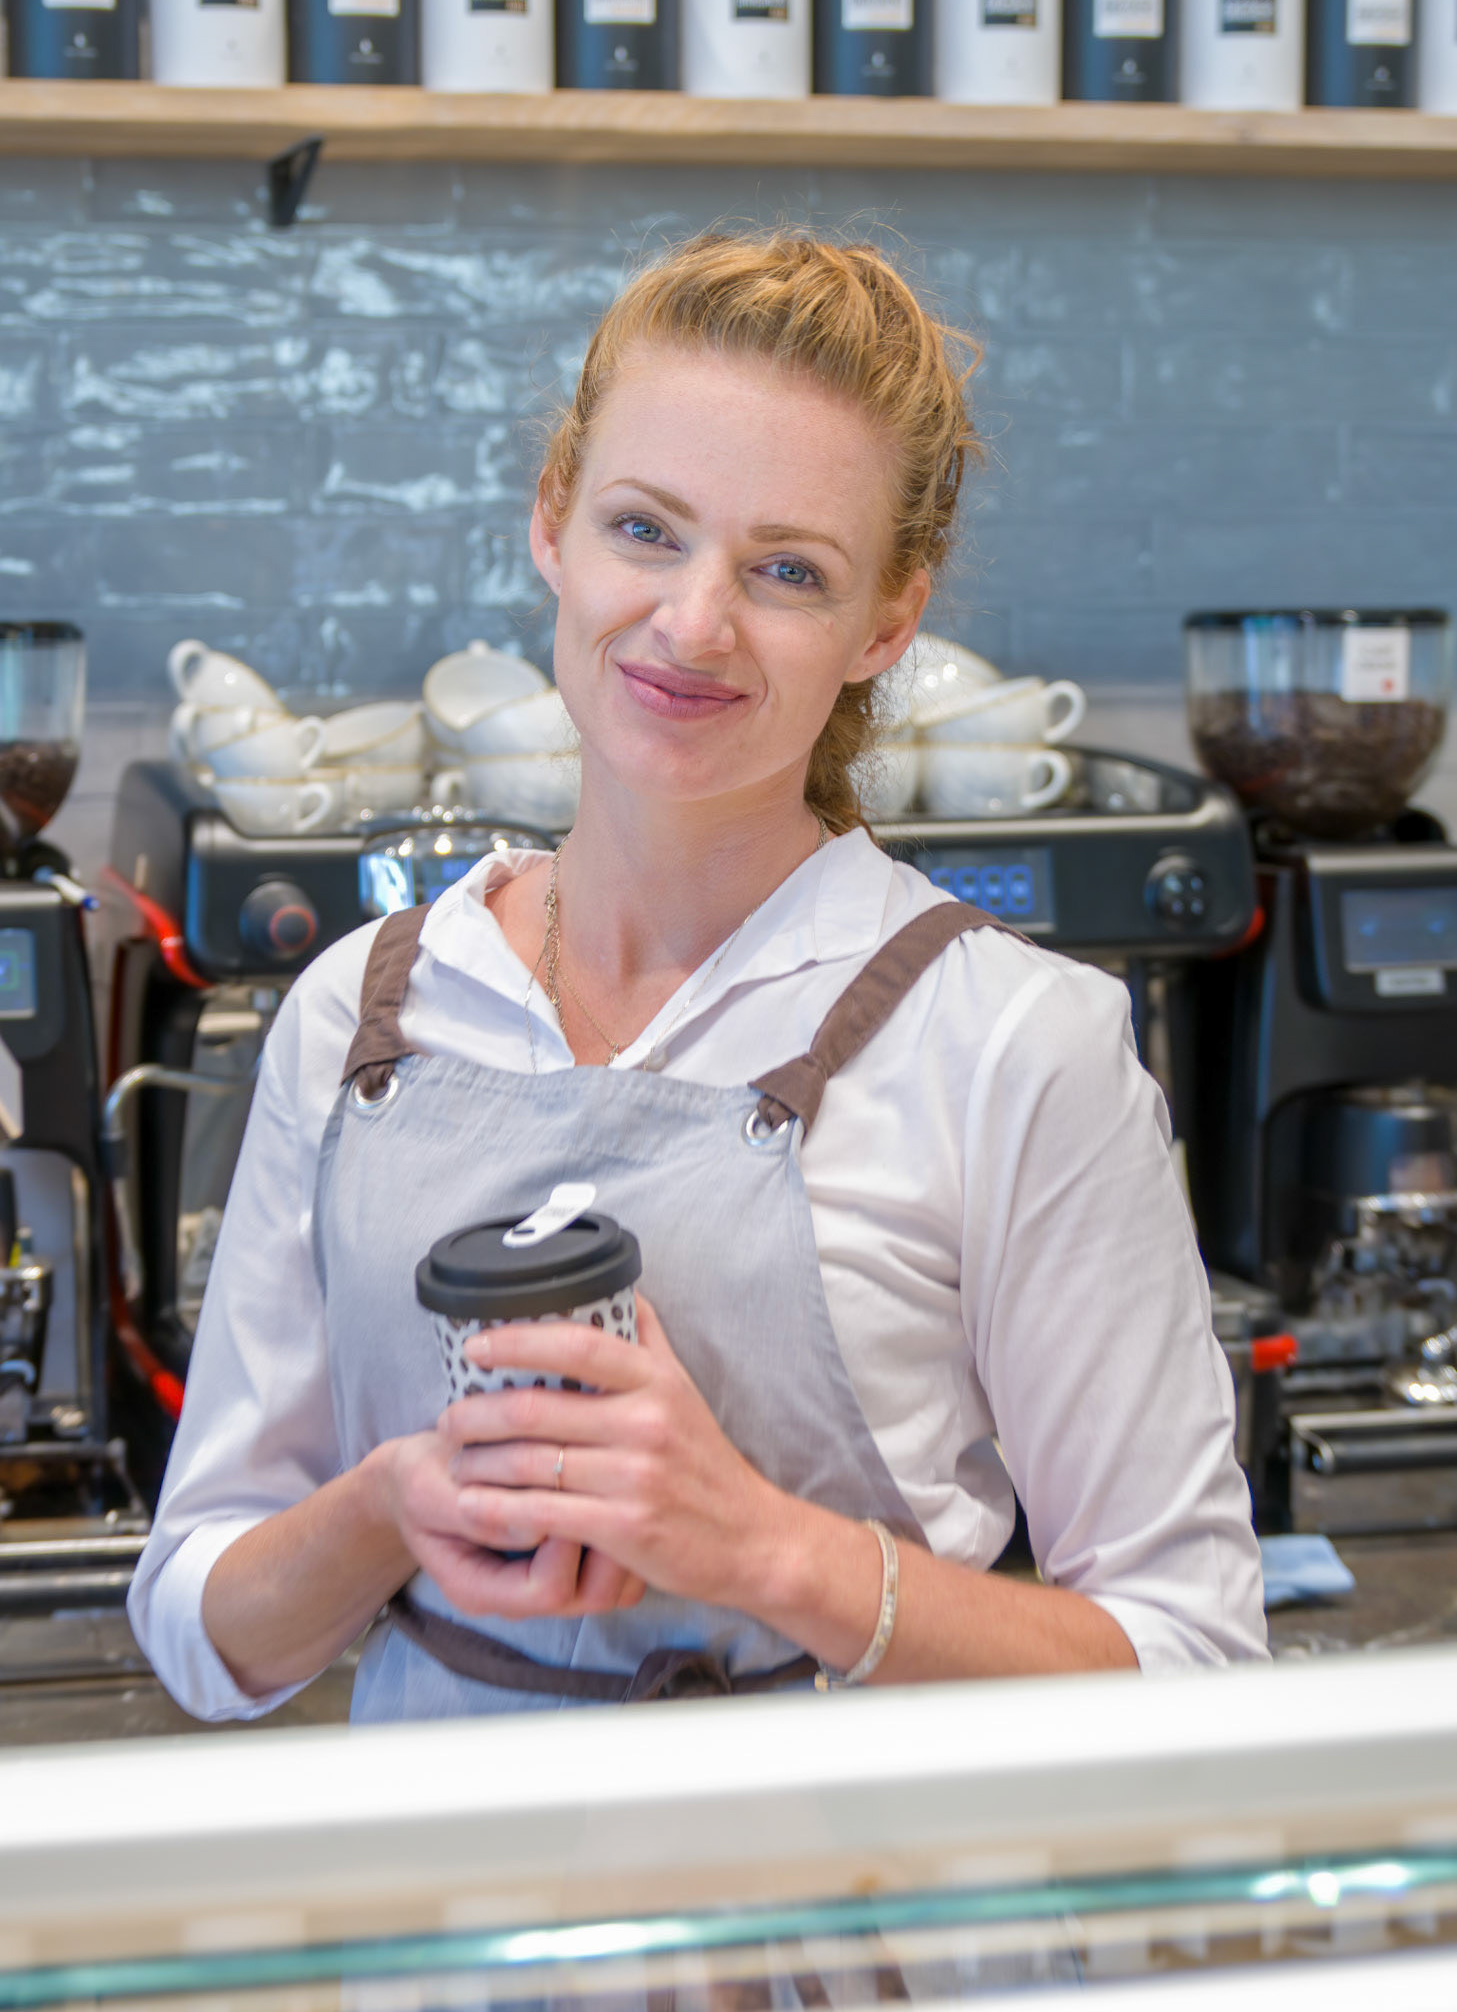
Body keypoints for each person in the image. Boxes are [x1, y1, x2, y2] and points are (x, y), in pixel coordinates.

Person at [129, 232, 1267, 1723]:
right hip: (448, 1872)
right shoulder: (361, 1012)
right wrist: (394, 1505)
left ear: (887, 622)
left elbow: (1194, 1665)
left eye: (788, 570)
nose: (691, 623)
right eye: (644, 530)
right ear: (553, 521)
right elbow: (201, 1632)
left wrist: (763, 1550)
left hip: (857, 1870)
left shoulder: (1014, 1044)